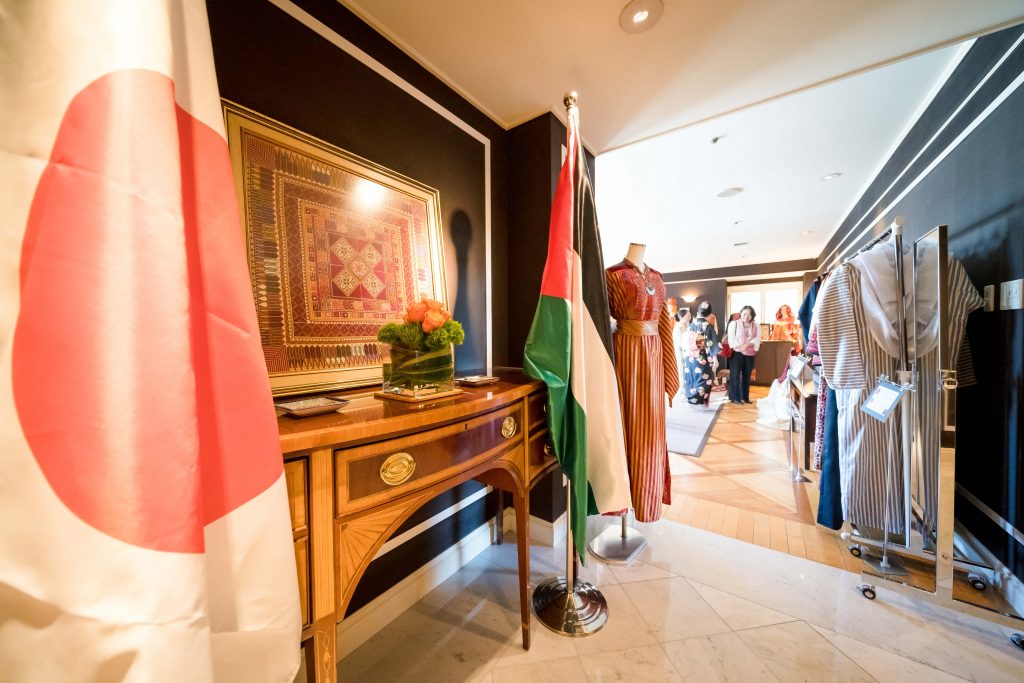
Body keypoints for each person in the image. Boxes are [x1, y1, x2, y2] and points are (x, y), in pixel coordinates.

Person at [682, 301, 719, 406]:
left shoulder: (691, 325)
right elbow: (711, 344)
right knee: (705, 378)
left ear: (698, 312)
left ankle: (691, 398)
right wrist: (715, 360)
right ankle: (700, 401)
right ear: (710, 314)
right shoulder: (708, 326)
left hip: (690, 358)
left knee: (692, 377)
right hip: (702, 358)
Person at [727, 305, 760, 404]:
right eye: (744, 314)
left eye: (749, 315)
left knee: (747, 375)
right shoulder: (734, 324)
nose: (746, 317)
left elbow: (757, 338)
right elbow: (731, 338)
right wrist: (740, 346)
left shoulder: (756, 325)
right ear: (741, 313)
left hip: (749, 353)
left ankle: (745, 397)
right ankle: (734, 397)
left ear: (752, 316)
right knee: (735, 375)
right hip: (737, 352)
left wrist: (747, 345)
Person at [672, 308, 692, 391]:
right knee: (682, 371)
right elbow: (680, 342)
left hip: (688, 351)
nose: (690, 317)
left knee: (687, 370)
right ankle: (682, 390)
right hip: (680, 351)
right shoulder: (678, 327)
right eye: (688, 316)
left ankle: (688, 388)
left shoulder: (688, 326)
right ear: (682, 317)